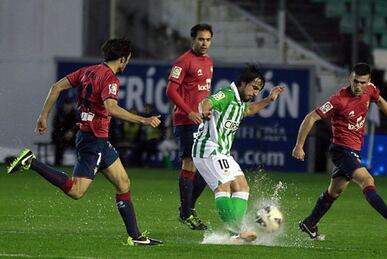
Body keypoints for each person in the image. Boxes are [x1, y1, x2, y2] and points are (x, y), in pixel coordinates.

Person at [7, 38, 163, 246]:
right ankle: (31, 162)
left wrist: (43, 116)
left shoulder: (88, 71)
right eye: (127, 60)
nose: (127, 64)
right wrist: (143, 119)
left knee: (123, 183)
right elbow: (111, 108)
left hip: (95, 138)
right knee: (76, 191)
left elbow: (56, 87)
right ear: (122, 59)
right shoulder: (110, 79)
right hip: (93, 139)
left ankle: (135, 237)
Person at [292, 63, 387, 240]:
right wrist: (299, 145)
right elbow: (311, 117)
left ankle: (310, 222)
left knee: (334, 192)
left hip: (354, 150)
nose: (358, 86)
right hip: (341, 150)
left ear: (368, 82)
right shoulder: (339, 99)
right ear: (350, 79)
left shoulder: (370, 90)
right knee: (367, 180)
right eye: (355, 81)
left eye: (362, 82)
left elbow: (380, 100)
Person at [192, 65, 285, 242]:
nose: (255, 93)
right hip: (208, 147)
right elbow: (207, 101)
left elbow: (248, 110)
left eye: (259, 90)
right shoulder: (227, 94)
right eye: (254, 88)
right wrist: (204, 110)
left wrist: (269, 100)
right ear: (242, 83)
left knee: (242, 187)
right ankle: (236, 230)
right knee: (224, 185)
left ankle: (233, 232)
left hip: (223, 152)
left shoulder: (240, 102)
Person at [165, 23, 213, 230]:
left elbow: (203, 93)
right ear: (192, 40)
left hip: (203, 121)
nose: (204, 43)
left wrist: (208, 110)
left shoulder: (209, 62)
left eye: (208, 39)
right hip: (186, 121)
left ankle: (187, 210)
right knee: (190, 165)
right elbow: (171, 91)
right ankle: (186, 212)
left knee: (206, 169)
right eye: (201, 39)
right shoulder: (183, 62)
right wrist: (189, 111)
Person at [51, 97, 78, 166]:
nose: (68, 107)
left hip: (73, 137)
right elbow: (56, 126)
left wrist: (72, 132)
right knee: (59, 142)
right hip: (61, 136)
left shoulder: (75, 114)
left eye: (69, 105)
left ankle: (80, 162)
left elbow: (78, 125)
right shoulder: (59, 114)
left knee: (80, 143)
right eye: (66, 105)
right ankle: (58, 163)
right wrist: (64, 133)